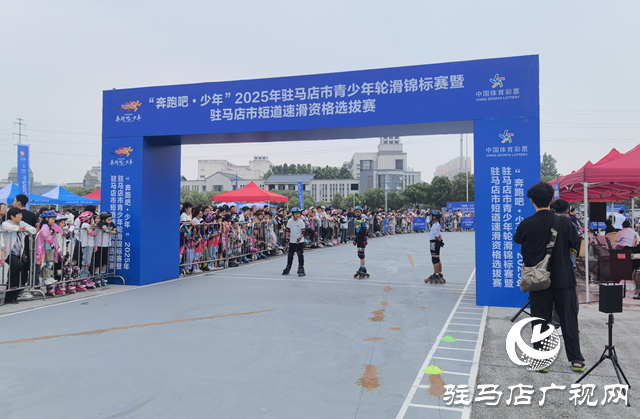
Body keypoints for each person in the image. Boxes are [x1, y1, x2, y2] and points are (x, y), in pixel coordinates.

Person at [514, 181, 586, 373]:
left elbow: (518, 240)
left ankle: (542, 361)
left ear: (531, 201)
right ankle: (576, 360)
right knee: (569, 319)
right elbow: (575, 245)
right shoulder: (565, 222)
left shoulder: (527, 223)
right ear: (551, 199)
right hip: (564, 278)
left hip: (538, 279)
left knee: (540, 319)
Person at [1, 208, 37, 304]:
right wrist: (18, 228)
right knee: (18, 265)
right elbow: (8, 227)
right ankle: (10, 285)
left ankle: (11, 297)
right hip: (7, 252)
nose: (21, 216)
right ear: (12, 216)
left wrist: (23, 228)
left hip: (18, 252)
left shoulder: (22, 223)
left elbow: (33, 230)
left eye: (21, 214)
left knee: (17, 273)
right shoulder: (6, 223)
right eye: (19, 215)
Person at [95, 212, 117, 286]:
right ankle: (96, 277)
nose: (110, 221)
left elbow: (116, 232)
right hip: (98, 245)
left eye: (111, 219)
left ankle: (103, 276)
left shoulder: (112, 224)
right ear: (103, 220)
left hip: (106, 245)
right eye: (108, 219)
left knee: (104, 262)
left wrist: (108, 230)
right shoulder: (100, 223)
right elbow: (104, 228)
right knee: (97, 262)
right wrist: (109, 230)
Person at [282, 208, 306, 277]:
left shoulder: (301, 221)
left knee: (300, 254)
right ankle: (288, 267)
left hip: (300, 241)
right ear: (293, 214)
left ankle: (301, 268)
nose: (298, 215)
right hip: (292, 240)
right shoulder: (290, 221)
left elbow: (303, 232)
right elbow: (287, 230)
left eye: (298, 214)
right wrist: (287, 239)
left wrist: (299, 239)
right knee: (290, 254)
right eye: (296, 214)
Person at [425, 210, 445, 284]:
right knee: (438, 258)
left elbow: (436, 236)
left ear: (434, 217)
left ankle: (436, 274)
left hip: (434, 242)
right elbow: (440, 234)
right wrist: (441, 241)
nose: (430, 217)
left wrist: (439, 241)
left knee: (434, 259)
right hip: (437, 242)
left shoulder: (434, 226)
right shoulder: (438, 224)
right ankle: (439, 272)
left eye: (431, 216)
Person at [352, 206, 369, 279]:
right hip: (358, 237)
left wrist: (365, 239)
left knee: (361, 254)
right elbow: (355, 230)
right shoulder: (355, 220)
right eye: (356, 212)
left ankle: (362, 267)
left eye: (358, 212)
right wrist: (355, 239)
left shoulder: (363, 220)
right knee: (359, 253)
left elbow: (365, 230)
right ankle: (363, 267)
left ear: (361, 212)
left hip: (362, 237)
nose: (357, 213)